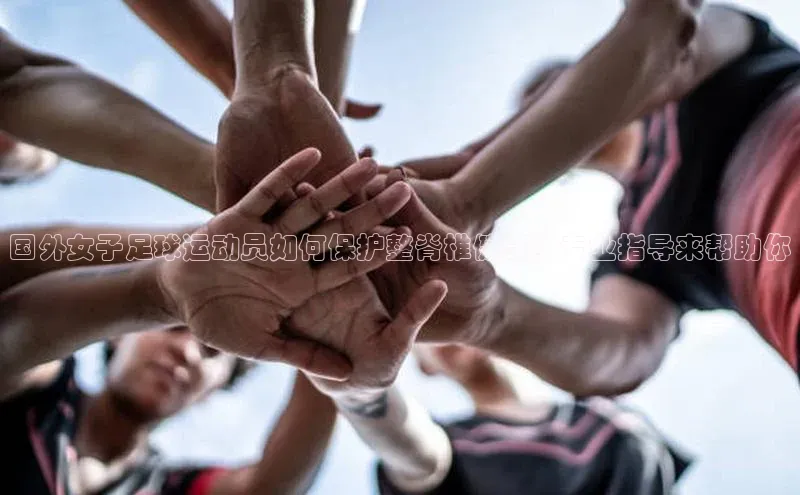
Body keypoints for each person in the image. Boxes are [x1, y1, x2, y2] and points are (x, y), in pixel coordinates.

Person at [308, 341, 691, 494]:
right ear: (424, 365)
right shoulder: (455, 442)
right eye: (422, 327)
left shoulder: (598, 410)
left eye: (445, 303)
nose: (442, 327)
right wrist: (357, 387)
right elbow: (418, 457)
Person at [0, 323, 340, 495]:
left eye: (212, 351)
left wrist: (331, 339)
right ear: (119, 332)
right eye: (172, 324)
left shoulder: (169, 486)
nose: (188, 352)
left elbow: (267, 486)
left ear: (215, 389)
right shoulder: (38, 386)